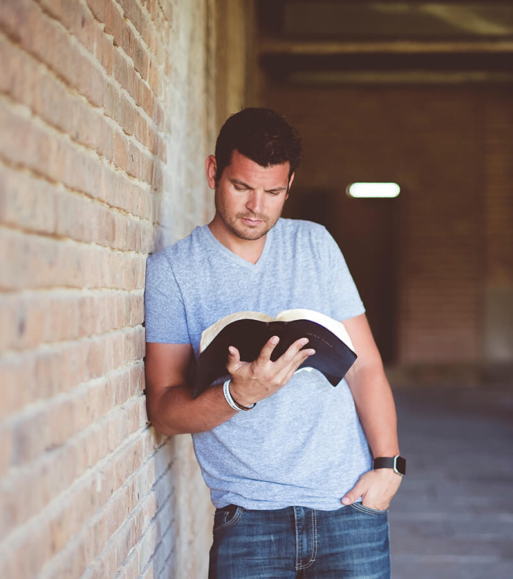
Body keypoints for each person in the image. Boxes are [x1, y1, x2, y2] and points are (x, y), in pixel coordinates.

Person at [143, 108, 404, 578]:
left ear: (290, 186)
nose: (256, 207)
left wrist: (388, 467)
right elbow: (163, 409)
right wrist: (237, 396)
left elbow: (365, 367)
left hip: (349, 507)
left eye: (273, 192)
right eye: (241, 187)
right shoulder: (173, 274)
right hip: (249, 521)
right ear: (212, 173)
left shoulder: (315, 245)